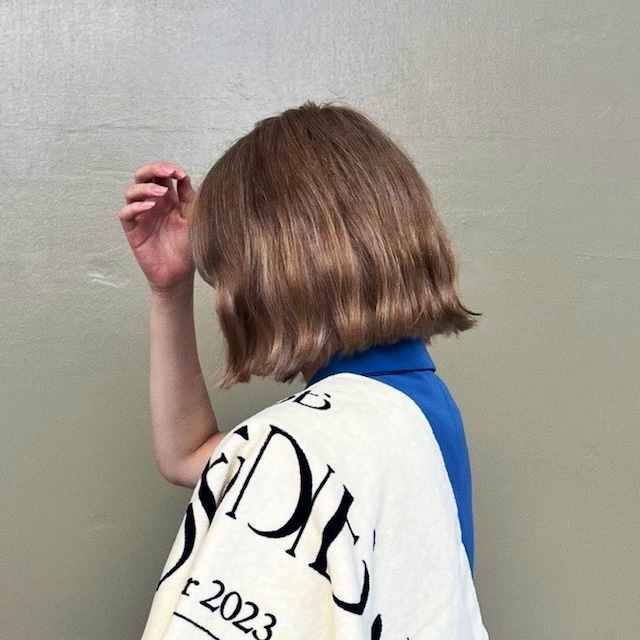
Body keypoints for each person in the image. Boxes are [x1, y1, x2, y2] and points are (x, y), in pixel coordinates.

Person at [119, 101, 489, 639]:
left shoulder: (312, 442)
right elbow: (188, 455)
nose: (226, 299)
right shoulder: (420, 407)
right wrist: (169, 290)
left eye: (225, 276)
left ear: (268, 272)